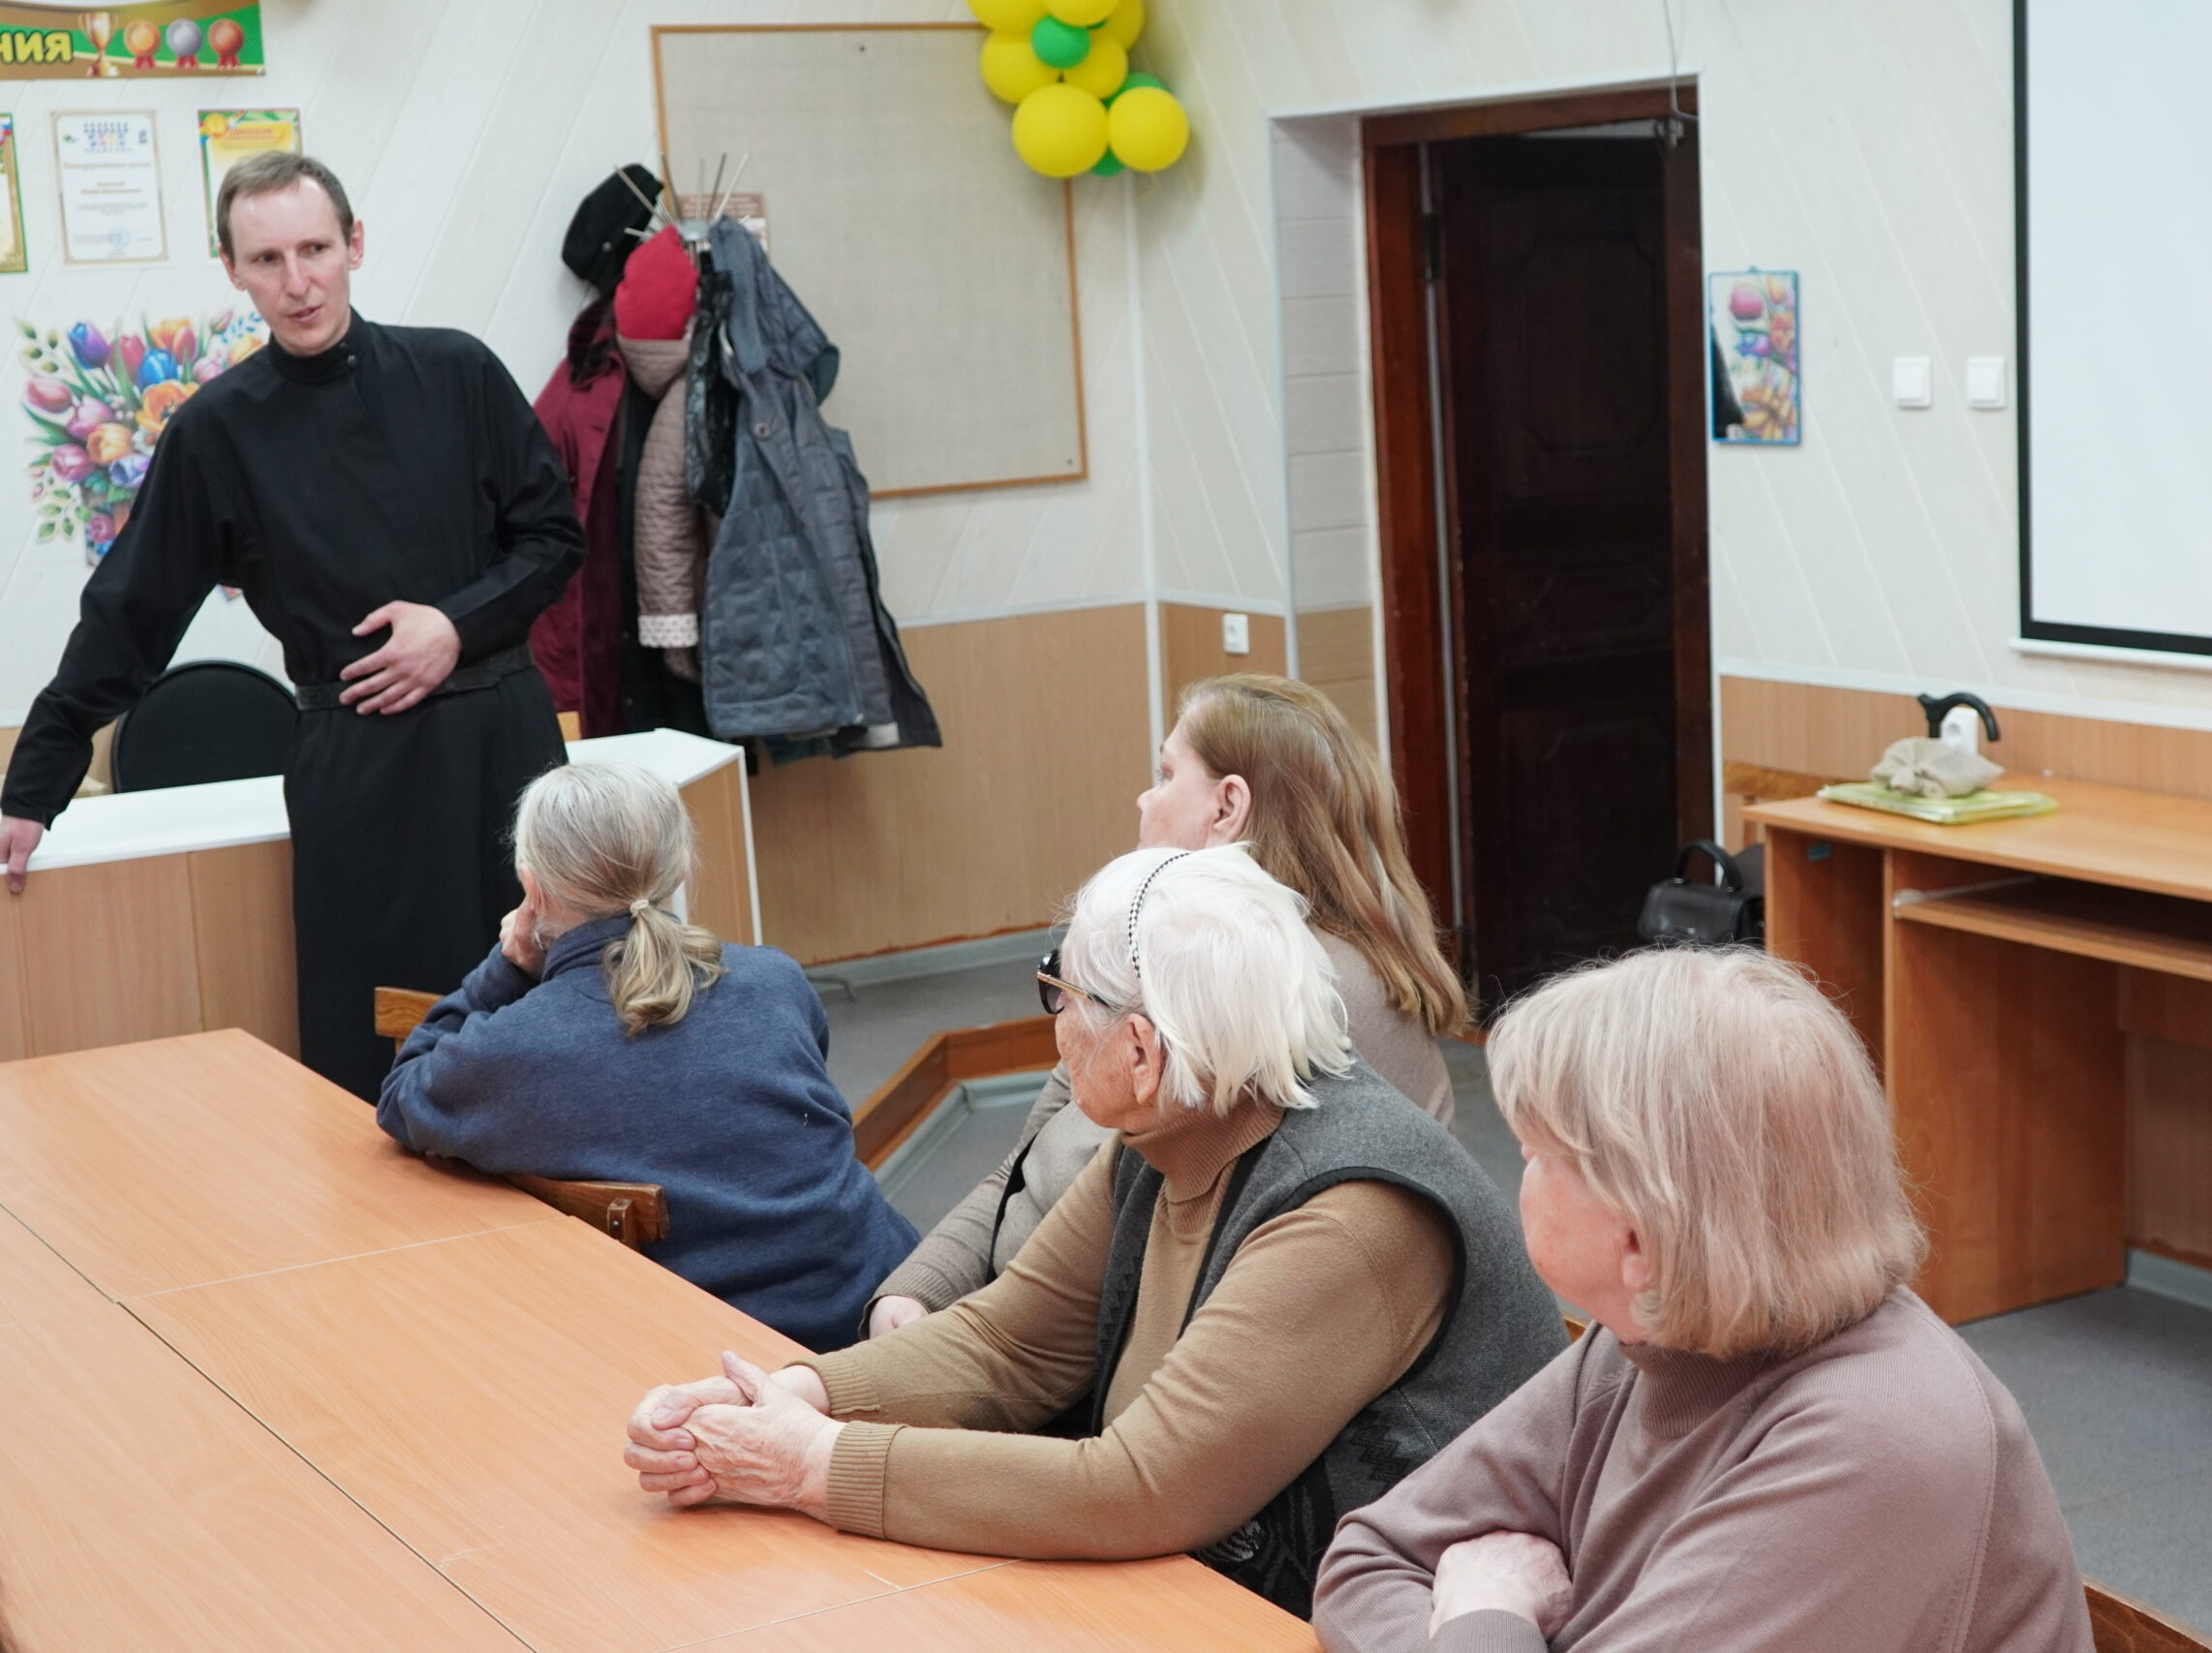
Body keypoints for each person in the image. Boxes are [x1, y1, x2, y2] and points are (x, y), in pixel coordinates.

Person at [624, 846, 1569, 1617]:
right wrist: (789, 1396)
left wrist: (812, 1464)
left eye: (1062, 995)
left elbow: (1139, 1487)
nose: (1056, 1024)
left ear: (1142, 1050)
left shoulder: (1351, 1215)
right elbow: (1007, 1342)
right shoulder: (1175, 1128)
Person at [0, 151, 584, 1100]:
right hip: (361, 767)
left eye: (315, 249)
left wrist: (452, 625)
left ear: (355, 245)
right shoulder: (216, 431)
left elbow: (555, 539)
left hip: (506, 752)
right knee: (383, 1040)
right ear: (232, 269)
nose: (297, 281)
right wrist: (33, 784)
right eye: (267, 259)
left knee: (553, 1011)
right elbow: (130, 614)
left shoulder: (458, 372)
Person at [1311, 947, 2094, 1653]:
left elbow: (1432, 1590)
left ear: (1641, 1234)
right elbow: (1368, 1561)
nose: (1517, 1165)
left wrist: (1486, 1610)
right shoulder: (1648, 1332)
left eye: (1538, 1153)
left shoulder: (1876, 1439)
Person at [866, 674, 1466, 1337]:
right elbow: (1026, 1166)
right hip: (1020, 1321)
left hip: (1085, 1350)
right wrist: (921, 1288)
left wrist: (942, 1339)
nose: (1144, 798)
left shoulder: (1281, 998)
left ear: (1226, 806)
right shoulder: (1163, 953)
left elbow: (1104, 1266)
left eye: (1165, 774)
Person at [377, 761, 915, 1352]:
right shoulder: (775, 979)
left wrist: (505, 968)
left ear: (533, 889)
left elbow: (402, 1096)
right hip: (892, 1304)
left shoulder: (519, 1046)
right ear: (679, 868)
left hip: (728, 1355)